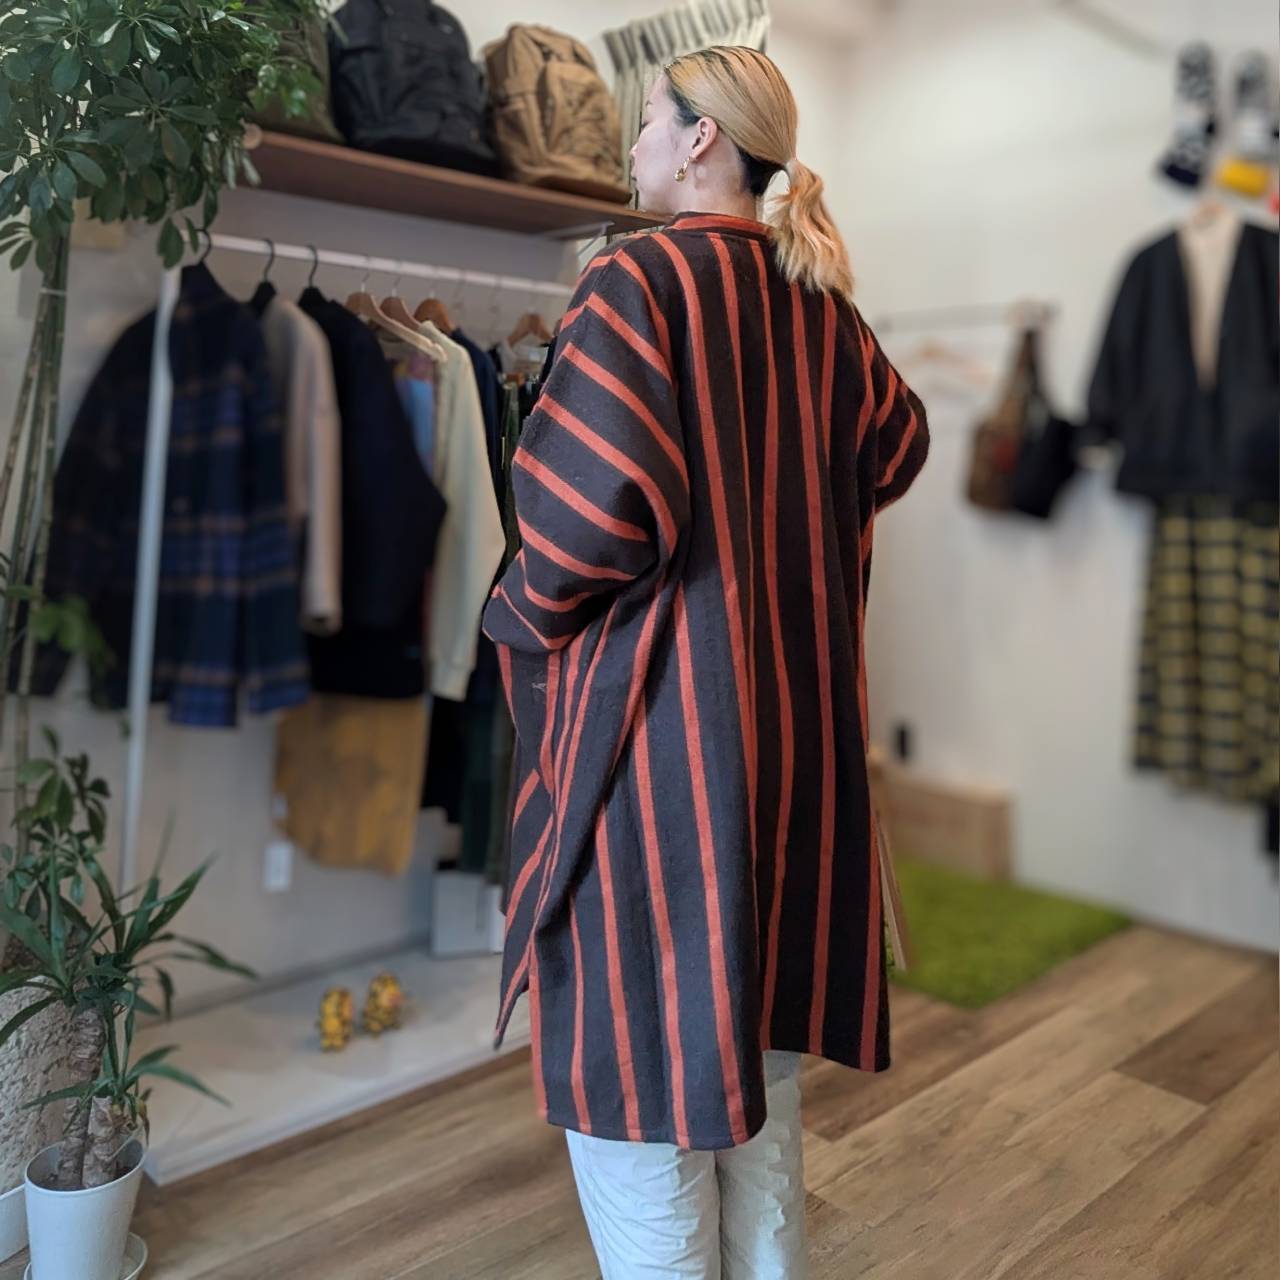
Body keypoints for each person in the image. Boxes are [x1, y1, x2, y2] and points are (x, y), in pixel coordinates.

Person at [482, 44, 929, 1278]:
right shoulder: (820, 304)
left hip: (660, 755)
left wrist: (513, 616)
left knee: (638, 1104)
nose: (629, 146)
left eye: (646, 121)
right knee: (761, 1102)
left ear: (699, 140)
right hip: (795, 752)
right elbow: (896, 444)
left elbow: (582, 522)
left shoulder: (634, 281)